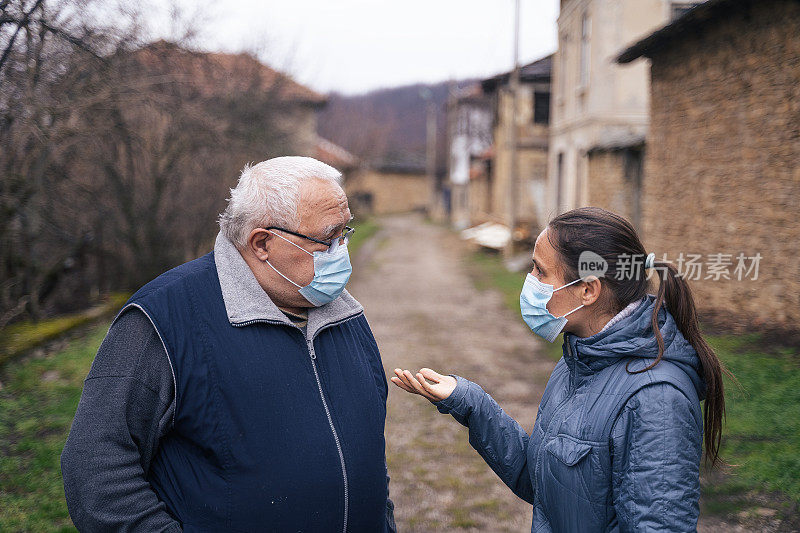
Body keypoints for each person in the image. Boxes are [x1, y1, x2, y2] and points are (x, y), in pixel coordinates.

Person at [61, 157, 396, 532]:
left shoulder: (346, 314)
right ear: (263, 242)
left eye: (345, 234)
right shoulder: (164, 317)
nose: (341, 252)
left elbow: (368, 455)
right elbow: (95, 466)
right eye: (327, 240)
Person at [392, 206, 731, 532]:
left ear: (587, 290)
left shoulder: (656, 399)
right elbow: (545, 484)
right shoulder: (579, 360)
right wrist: (468, 400)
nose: (530, 280)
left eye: (540, 271)